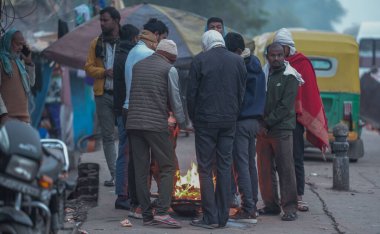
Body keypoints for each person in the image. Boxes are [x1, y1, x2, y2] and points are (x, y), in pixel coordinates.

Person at [187, 30, 246, 229]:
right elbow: (241, 92)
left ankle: (209, 217)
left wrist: (194, 118)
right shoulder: (237, 61)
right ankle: (222, 217)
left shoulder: (200, 60)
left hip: (205, 121)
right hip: (229, 120)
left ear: (206, 43)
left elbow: (191, 94)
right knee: (224, 166)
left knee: (205, 168)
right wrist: (234, 114)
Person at [126, 39, 186, 228]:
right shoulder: (169, 69)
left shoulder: (138, 66)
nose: (173, 63)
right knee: (168, 166)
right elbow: (175, 99)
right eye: (173, 60)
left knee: (141, 170)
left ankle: (146, 215)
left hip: (134, 123)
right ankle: (161, 212)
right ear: (170, 57)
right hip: (155, 125)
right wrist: (182, 121)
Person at [273, 28, 329, 212]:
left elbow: (309, 93)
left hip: (295, 120)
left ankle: (299, 196)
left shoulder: (302, 63)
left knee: (296, 157)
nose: (279, 52)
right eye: (276, 48)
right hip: (276, 120)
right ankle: (280, 197)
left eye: (282, 48)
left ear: (289, 47)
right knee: (277, 160)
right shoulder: (272, 63)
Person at [123, 18, 169, 219]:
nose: (162, 44)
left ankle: (139, 207)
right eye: (163, 39)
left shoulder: (134, 51)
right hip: (147, 111)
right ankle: (158, 208)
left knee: (138, 164)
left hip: (130, 111)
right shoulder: (149, 55)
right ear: (157, 35)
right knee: (163, 163)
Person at [257, 42, 303, 221]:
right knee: (264, 169)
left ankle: (290, 208)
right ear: (267, 56)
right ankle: (271, 205)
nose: (276, 59)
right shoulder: (264, 73)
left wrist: (266, 123)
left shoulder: (290, 76)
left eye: (279, 55)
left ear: (284, 56)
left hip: (281, 129)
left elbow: (285, 106)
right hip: (263, 129)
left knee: (285, 168)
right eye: (272, 55)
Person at [224, 32, 266, 224]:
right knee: (250, 164)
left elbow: (236, 97)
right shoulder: (256, 63)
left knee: (241, 166)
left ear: (238, 51)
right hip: (255, 121)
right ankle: (253, 203)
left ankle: (248, 209)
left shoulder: (240, 66)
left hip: (241, 122)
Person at [84, 6, 121, 187]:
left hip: (122, 95)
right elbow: (88, 68)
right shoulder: (96, 43)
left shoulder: (126, 41)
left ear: (116, 21)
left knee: (126, 135)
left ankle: (124, 175)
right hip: (103, 94)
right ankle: (115, 175)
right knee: (107, 136)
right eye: (101, 20)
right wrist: (104, 71)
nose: (102, 23)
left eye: (105, 20)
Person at [113, 24, 139, 210]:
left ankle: (126, 193)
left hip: (121, 108)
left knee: (126, 151)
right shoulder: (127, 56)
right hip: (125, 109)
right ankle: (122, 195)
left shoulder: (119, 53)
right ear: (134, 39)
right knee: (125, 152)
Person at [0, 29, 35, 125]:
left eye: (22, 45)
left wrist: (28, 62)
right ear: (8, 42)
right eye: (17, 44)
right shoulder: (1, 62)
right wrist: (3, 114)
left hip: (24, 119)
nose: (20, 48)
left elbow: (31, 82)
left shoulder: (19, 63)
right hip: (7, 119)